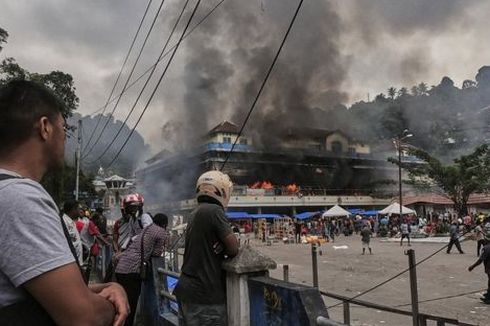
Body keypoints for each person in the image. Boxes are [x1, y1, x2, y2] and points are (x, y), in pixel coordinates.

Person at [0, 80, 129, 325]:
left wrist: (102, 289)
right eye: (64, 128)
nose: (65, 138)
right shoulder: (19, 198)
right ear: (45, 128)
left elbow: (30, 294)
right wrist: (113, 301)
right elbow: (83, 318)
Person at [174, 171, 239, 326]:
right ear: (222, 190)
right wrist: (225, 247)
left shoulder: (195, 212)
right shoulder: (214, 211)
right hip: (205, 295)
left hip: (186, 290)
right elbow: (234, 248)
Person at [115, 213, 170, 326]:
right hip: (132, 270)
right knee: (131, 303)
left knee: (121, 301)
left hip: (121, 267)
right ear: (165, 224)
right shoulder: (161, 232)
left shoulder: (147, 228)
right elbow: (157, 253)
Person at [468, 231, 490, 304]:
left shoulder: (486, 248)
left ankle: (488, 299)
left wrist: (472, 266)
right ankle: (488, 294)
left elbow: (480, 260)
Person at [62, 200, 83, 265]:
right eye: (79, 209)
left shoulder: (72, 222)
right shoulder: (64, 222)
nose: (80, 211)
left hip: (76, 262)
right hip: (69, 263)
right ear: (73, 209)